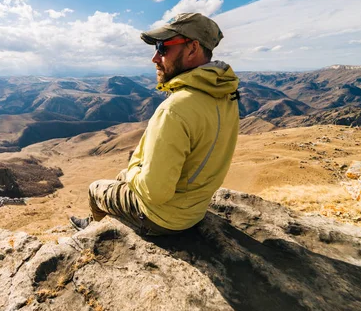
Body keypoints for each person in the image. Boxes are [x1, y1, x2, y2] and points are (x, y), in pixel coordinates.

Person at [70, 13, 240, 235]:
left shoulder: (175, 109)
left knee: (96, 189)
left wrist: (132, 169)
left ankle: (92, 231)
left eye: (162, 47)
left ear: (192, 48)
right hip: (194, 209)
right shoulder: (226, 94)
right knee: (123, 176)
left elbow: (155, 193)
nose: (155, 58)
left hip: (163, 218)